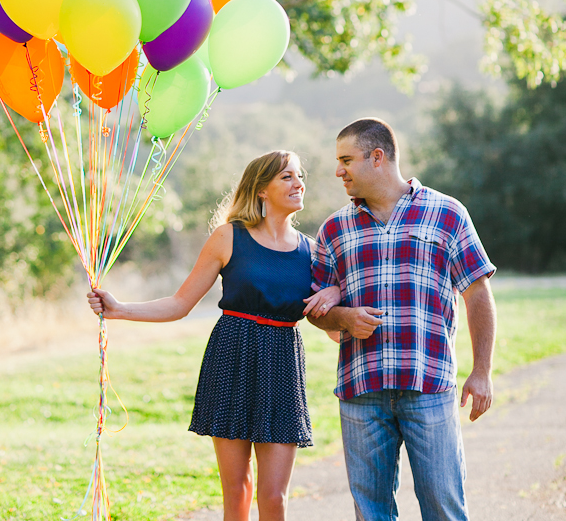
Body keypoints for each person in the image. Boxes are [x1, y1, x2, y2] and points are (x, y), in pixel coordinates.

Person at [87, 149, 341, 521]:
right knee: (237, 491)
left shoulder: (313, 252)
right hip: (232, 357)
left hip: (283, 366)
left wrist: (335, 294)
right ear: (261, 189)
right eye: (287, 176)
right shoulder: (228, 238)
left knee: (274, 497)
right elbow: (180, 304)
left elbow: (334, 329)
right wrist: (119, 308)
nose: (298, 183)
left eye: (299, 176)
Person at [308, 118, 496, 521]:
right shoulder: (334, 228)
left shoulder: (447, 213)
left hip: (428, 385)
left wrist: (482, 371)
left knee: (444, 508)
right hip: (362, 389)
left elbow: (477, 293)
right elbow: (318, 312)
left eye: (346, 160)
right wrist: (343, 317)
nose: (338, 170)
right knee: (371, 513)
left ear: (377, 157)